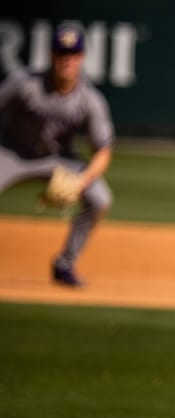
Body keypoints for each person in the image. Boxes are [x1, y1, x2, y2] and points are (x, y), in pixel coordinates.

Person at [0, 22, 115, 288]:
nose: (67, 60)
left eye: (73, 54)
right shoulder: (23, 83)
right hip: (10, 152)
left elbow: (104, 152)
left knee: (100, 199)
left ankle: (65, 263)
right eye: (61, 53)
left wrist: (82, 181)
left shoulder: (90, 100)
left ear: (82, 57)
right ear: (51, 55)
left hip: (56, 158)